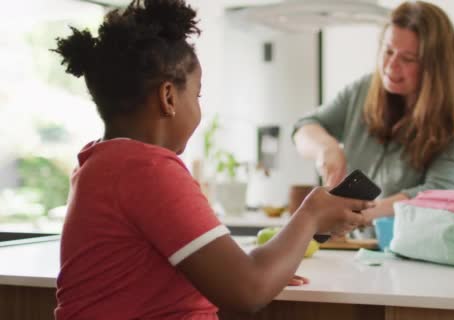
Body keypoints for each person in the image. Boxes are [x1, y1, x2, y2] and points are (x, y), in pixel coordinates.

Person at [52, 1, 370, 319]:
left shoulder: (100, 163)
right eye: (198, 94)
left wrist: (272, 263)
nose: (199, 107)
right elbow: (248, 291)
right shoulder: (148, 170)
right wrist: (312, 212)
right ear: (168, 97)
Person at [293, 1, 454, 220]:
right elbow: (305, 127)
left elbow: (446, 196)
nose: (391, 66)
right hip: (361, 246)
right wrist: (326, 148)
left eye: (408, 59)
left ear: (435, 67)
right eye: (388, 51)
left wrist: (360, 214)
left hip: (424, 251)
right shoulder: (363, 90)